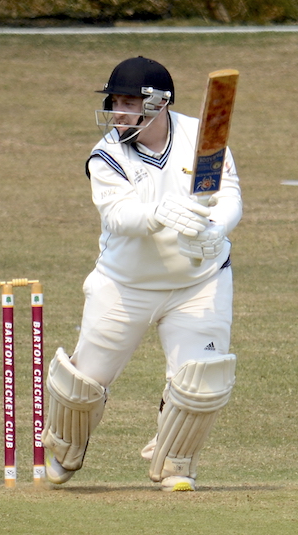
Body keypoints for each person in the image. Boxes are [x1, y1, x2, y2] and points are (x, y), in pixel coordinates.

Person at [41, 57, 241, 492]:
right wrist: (160, 213)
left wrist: (216, 230)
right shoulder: (106, 154)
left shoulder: (203, 137)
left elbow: (228, 196)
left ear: (159, 103)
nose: (117, 112)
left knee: (200, 380)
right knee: (82, 384)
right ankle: (65, 448)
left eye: (128, 102)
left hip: (198, 281)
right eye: (115, 101)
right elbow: (118, 216)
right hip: (125, 284)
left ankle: (175, 465)